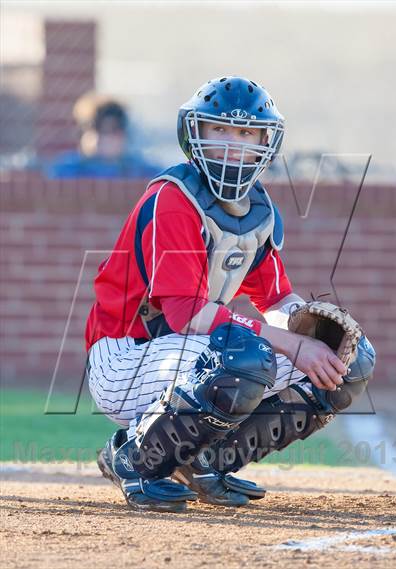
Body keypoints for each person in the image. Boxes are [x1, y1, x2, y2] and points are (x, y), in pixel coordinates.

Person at [85, 76, 376, 513]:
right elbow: (185, 314)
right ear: (194, 132)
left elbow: (277, 301)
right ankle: (133, 457)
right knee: (244, 353)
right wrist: (290, 342)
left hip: (181, 357)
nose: (231, 144)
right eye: (218, 129)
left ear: (265, 142)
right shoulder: (173, 198)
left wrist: (308, 330)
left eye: (245, 133)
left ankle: (206, 461)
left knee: (350, 358)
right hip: (124, 357)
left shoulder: (257, 209)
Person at [47, 94, 159, 179]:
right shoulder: (67, 170)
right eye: (96, 129)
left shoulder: (139, 170)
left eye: (111, 130)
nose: (102, 139)